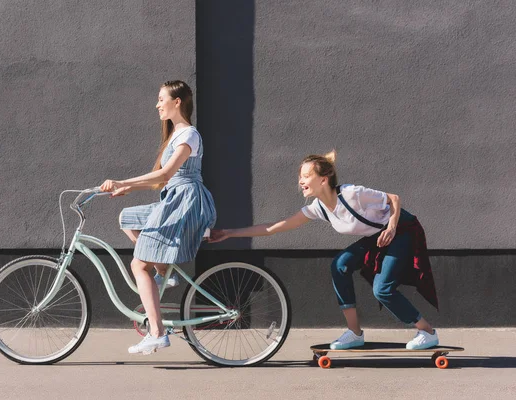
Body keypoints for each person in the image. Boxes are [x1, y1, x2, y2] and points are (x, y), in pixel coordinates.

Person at [209, 151, 439, 350]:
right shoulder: (318, 208)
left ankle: (427, 332)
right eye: (300, 176)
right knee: (339, 265)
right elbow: (273, 228)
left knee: (383, 290)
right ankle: (354, 333)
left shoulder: (351, 194)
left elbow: (394, 199)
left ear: (324, 179)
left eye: (306, 176)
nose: (301, 181)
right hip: (375, 237)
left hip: (402, 231)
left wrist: (391, 226)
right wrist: (229, 233)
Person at [100, 80, 216, 354]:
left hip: (185, 202)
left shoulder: (189, 134)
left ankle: (157, 332)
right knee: (126, 218)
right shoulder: (175, 136)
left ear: (177, 102)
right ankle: (164, 273)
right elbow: (161, 181)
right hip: (174, 198)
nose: (157, 104)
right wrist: (127, 188)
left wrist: (120, 180)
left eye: (161, 98)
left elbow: (165, 176)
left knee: (139, 266)